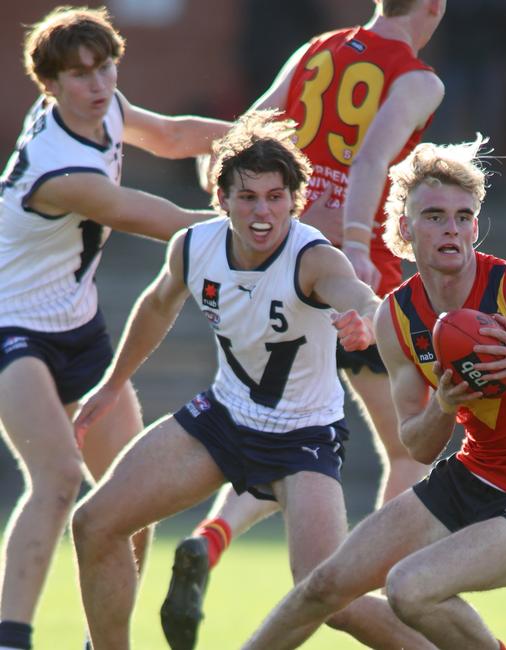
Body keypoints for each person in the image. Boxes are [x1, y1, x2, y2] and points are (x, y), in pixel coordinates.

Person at [240, 135, 506, 649]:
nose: (452, 228)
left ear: (475, 224)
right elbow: (418, 445)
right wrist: (446, 406)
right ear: (404, 227)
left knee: (409, 589)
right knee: (325, 586)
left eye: (463, 215)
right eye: (434, 215)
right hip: (472, 476)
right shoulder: (396, 318)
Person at [70, 110, 436, 650]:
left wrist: (364, 319)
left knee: (331, 597)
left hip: (302, 441)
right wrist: (111, 382)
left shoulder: (311, 257)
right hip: (223, 421)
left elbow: (357, 294)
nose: (262, 212)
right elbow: (155, 305)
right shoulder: (194, 247)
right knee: (93, 523)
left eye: (274, 197)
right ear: (222, 200)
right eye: (247, 198)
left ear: (295, 200)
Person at [164, 2, 447, 644]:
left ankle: (213, 536)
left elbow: (248, 128)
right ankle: (376, 594)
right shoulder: (419, 76)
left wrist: (224, 190)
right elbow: (372, 159)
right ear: (432, 6)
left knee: (284, 431)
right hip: (355, 277)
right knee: (406, 447)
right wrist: (353, 244)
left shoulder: (321, 46)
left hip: (283, 266)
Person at [0, 7, 230, 650]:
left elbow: (175, 134)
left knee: (133, 495)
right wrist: (259, 220)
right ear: (51, 85)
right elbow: (154, 217)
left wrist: (257, 141)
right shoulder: (61, 170)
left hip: (76, 325)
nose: (99, 84)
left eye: (106, 67)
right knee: (59, 477)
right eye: (80, 75)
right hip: (10, 326)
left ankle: (104, 643)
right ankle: (11, 636)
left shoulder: (106, 108)